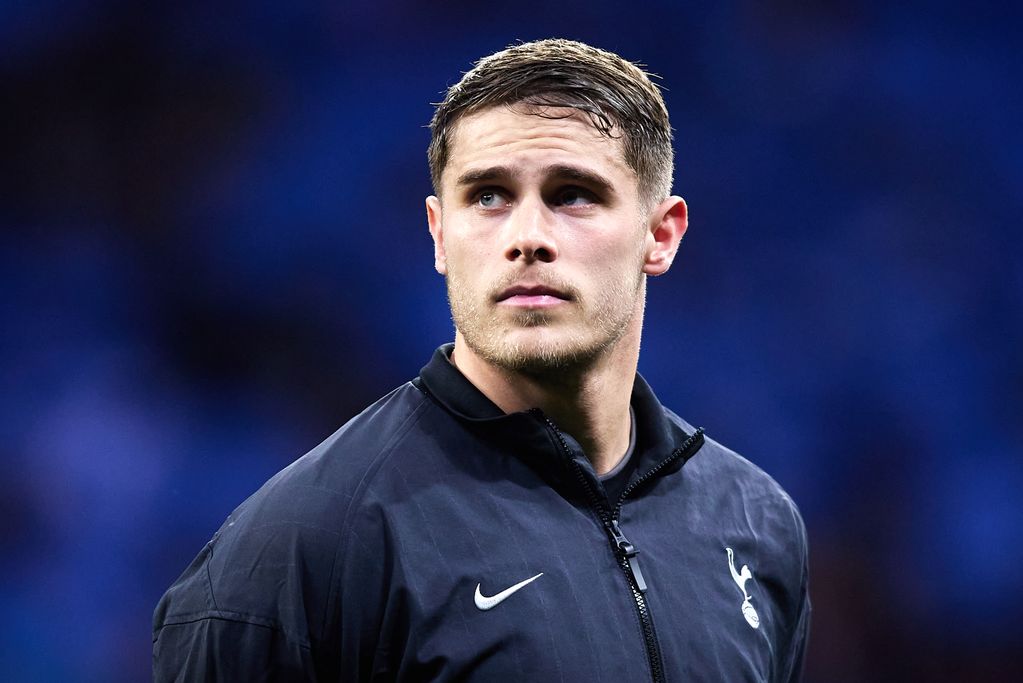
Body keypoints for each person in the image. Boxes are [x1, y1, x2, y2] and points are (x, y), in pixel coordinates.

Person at [153, 38, 810, 682]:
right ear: (440, 234)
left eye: (573, 193)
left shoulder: (753, 522)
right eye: (488, 195)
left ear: (659, 234)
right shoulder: (305, 546)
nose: (526, 237)